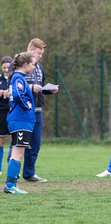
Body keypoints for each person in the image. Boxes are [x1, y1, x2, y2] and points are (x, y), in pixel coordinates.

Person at [23, 38, 58, 183]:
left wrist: (50, 90)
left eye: (42, 54)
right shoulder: (19, 65)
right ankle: (12, 173)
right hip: (23, 111)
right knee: (19, 143)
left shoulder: (39, 67)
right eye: (39, 53)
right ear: (31, 50)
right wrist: (30, 88)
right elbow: (15, 84)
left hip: (37, 111)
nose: (40, 56)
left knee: (35, 144)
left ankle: (29, 174)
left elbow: (41, 86)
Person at [4, 52, 36, 194]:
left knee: (18, 151)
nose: (34, 67)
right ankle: (10, 186)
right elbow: (17, 95)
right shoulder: (18, 78)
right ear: (26, 64)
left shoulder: (20, 77)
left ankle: (11, 185)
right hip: (20, 120)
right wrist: (27, 105)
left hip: (21, 120)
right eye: (33, 64)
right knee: (17, 152)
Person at [0, 56, 13, 176]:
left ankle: (12, 167)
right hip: (2, 113)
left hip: (14, 112)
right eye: (4, 67)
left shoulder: (15, 78)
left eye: (8, 67)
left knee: (15, 141)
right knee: (1, 141)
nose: (6, 70)